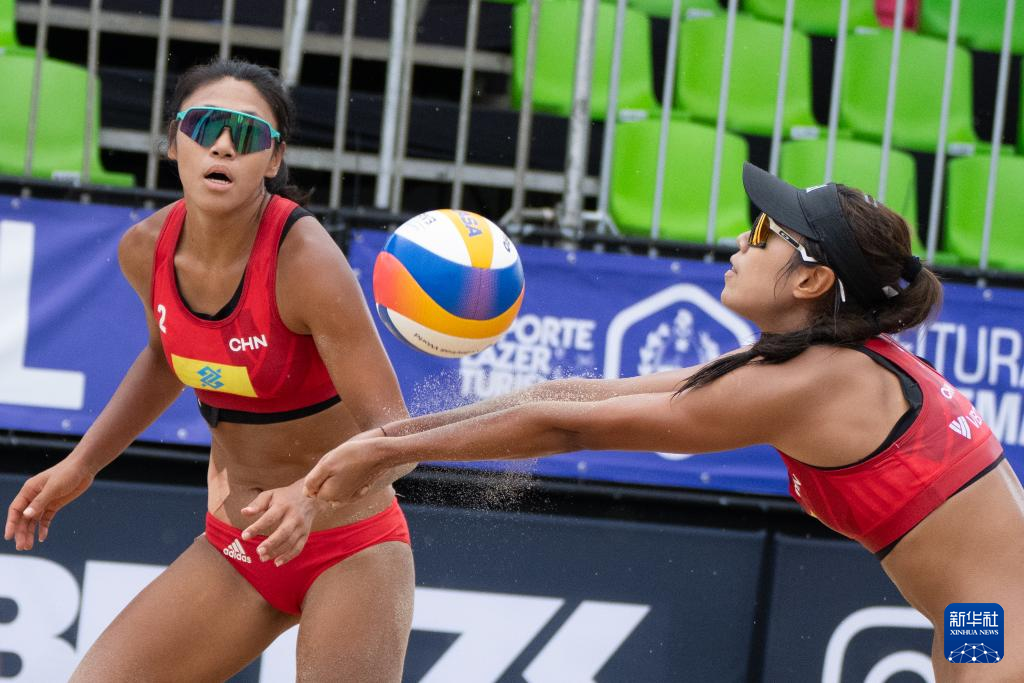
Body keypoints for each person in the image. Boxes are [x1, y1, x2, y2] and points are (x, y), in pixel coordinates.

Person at [303, 163, 1024, 680]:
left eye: (764, 231)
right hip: (973, 616)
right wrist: (389, 440)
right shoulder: (811, 363)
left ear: (811, 279)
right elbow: (578, 397)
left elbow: (566, 429)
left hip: (998, 620)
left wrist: (385, 452)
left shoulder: (814, 381)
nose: (741, 239)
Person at [4, 59, 415, 682]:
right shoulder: (145, 248)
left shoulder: (306, 261)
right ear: (174, 143)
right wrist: (81, 464)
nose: (223, 145)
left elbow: (399, 440)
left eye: (246, 133)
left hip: (350, 545)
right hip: (238, 547)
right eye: (204, 126)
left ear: (273, 159)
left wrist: (310, 496)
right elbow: (164, 357)